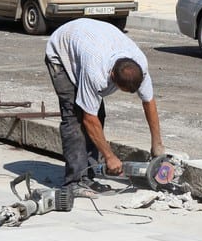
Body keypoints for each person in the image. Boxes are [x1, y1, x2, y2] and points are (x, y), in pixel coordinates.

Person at [45, 18, 165, 198]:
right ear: (112, 76)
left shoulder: (139, 64)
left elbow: (149, 102)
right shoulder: (96, 72)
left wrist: (157, 144)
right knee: (75, 118)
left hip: (91, 39)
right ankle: (75, 181)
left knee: (98, 114)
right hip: (62, 52)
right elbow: (88, 119)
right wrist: (109, 156)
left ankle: (89, 174)